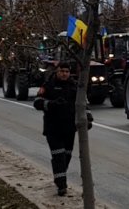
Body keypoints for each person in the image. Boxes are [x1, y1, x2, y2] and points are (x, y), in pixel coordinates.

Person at [34, 62, 93, 196]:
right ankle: (61, 186)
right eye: (62, 71)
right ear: (56, 71)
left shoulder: (74, 86)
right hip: (53, 129)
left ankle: (59, 177)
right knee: (58, 156)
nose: (64, 74)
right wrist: (51, 104)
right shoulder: (48, 86)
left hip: (69, 129)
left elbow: (83, 104)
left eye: (67, 71)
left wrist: (88, 118)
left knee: (66, 156)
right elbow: (37, 102)